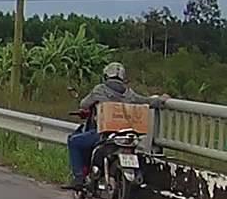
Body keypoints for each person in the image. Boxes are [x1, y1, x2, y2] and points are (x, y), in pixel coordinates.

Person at [64, 61, 169, 189]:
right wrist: (161, 99)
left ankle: (79, 178)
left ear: (106, 75)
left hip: (104, 134)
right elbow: (146, 101)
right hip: (127, 134)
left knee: (74, 142)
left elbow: (84, 104)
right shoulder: (129, 94)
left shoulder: (100, 90)